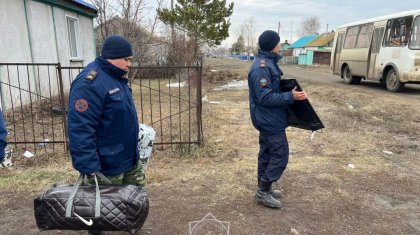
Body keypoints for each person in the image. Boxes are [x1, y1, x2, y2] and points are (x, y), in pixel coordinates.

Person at [67, 35, 144, 235]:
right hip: (105, 166)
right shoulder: (90, 83)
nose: (129, 64)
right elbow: (80, 128)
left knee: (135, 200)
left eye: (131, 60)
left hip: (128, 158)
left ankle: (129, 227)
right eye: (126, 59)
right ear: (112, 57)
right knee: (99, 212)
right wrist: (88, 164)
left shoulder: (116, 78)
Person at [248, 30, 308, 209]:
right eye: (278, 42)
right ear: (272, 44)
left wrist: (290, 92)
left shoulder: (268, 63)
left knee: (267, 153)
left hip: (270, 118)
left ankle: (264, 188)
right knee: (280, 154)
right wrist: (290, 97)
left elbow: (272, 90)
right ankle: (262, 192)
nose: (280, 45)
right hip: (269, 120)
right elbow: (264, 97)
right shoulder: (261, 68)